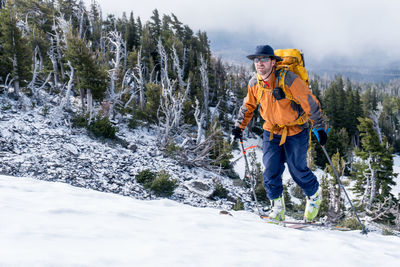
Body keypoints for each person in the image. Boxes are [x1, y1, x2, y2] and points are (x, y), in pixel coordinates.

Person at [232, 45, 328, 221]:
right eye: (256, 60)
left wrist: (319, 127)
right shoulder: (255, 83)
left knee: (297, 170)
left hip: (296, 130)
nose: (259, 63)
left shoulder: (289, 80)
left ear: (273, 62)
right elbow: (248, 106)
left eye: (264, 59)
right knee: (271, 170)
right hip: (271, 130)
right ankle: (277, 209)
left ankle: (314, 195)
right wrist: (239, 126)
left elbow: (310, 103)